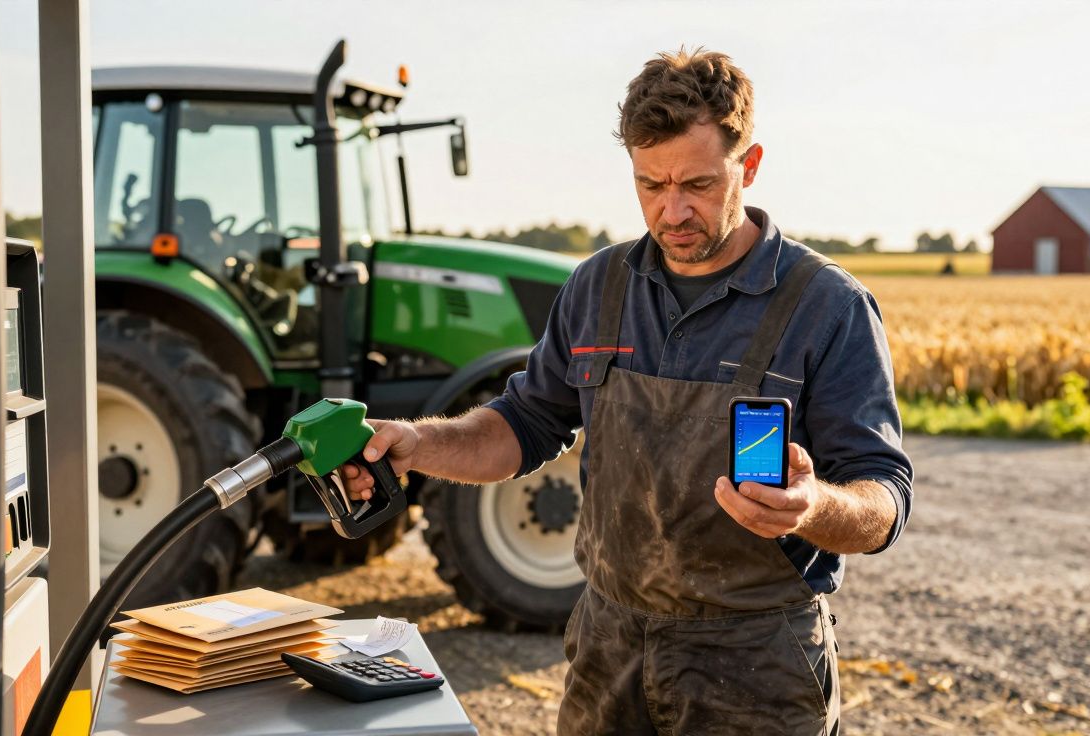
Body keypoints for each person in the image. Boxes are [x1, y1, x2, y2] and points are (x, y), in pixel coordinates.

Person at [341, 48, 913, 735]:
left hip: (757, 663)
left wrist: (810, 505)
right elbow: (522, 425)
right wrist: (418, 443)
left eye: (697, 185)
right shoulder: (598, 287)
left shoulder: (827, 306)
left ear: (749, 166)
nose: (672, 211)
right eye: (650, 184)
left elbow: (884, 498)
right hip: (609, 651)